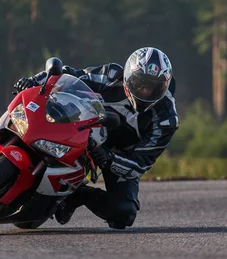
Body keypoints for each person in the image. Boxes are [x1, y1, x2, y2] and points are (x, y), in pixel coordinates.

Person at [13, 47, 179, 229]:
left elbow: (141, 163)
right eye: (141, 82)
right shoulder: (111, 75)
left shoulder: (167, 119)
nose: (146, 91)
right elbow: (69, 75)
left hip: (118, 156)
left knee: (123, 213)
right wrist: (34, 82)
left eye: (153, 86)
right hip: (82, 131)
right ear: (129, 76)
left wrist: (110, 159)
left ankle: (78, 194)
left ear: (164, 85)